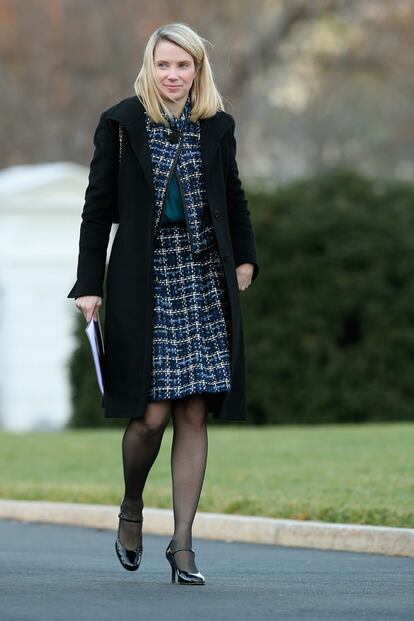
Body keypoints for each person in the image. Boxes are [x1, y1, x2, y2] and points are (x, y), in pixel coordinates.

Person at [67, 22, 259, 585]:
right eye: (164, 65)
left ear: (199, 69)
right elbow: (96, 208)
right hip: (142, 278)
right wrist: (88, 284)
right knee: (150, 417)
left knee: (195, 410)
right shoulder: (122, 123)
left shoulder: (216, 126)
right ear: (150, 68)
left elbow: (234, 196)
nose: (174, 75)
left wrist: (245, 257)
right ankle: (132, 507)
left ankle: (182, 545)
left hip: (202, 276)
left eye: (184, 65)